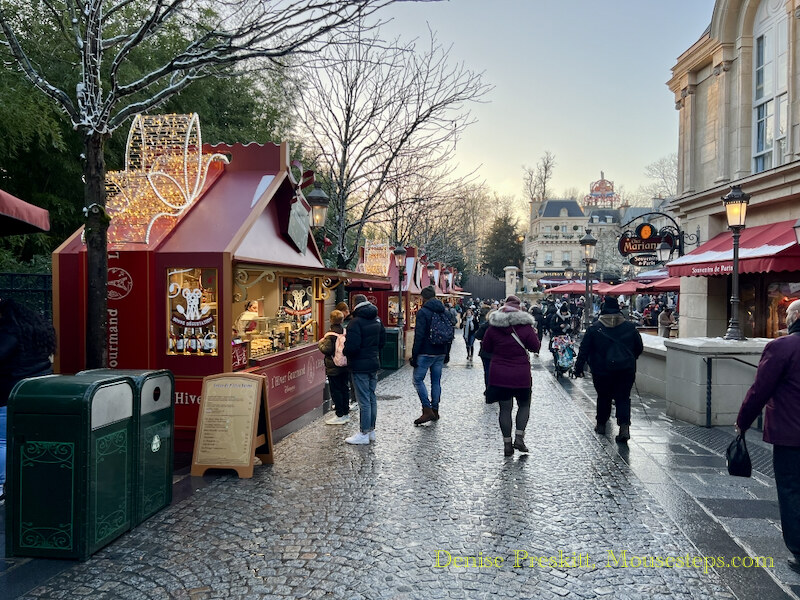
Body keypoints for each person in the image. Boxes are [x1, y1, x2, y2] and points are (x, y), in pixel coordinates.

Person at [736, 299, 800, 575]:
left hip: (791, 434)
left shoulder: (782, 347)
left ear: (795, 316)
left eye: (786, 314)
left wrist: (742, 422)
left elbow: (760, 390)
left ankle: (799, 550)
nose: (785, 318)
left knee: (792, 490)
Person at [0, 299, 57, 499]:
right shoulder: (37, 330)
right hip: (37, 392)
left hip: (9, 393)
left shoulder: (9, 332)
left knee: (2, 441)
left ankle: (1, 484)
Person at [574, 296, 643, 443]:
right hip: (625, 370)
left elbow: (584, 349)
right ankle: (624, 427)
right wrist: (629, 360)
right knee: (623, 397)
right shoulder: (630, 327)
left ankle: (601, 424)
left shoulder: (595, 328)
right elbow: (639, 348)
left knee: (603, 396)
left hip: (601, 370)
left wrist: (579, 367)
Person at [479, 295, 540, 456]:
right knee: (524, 405)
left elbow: (486, 347)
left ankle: (507, 444)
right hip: (521, 374)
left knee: (505, 409)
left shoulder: (494, 327)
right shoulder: (526, 327)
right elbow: (535, 347)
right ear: (519, 309)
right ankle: (519, 438)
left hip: (499, 373)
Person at [342, 295, 385, 445]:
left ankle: (364, 432)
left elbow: (352, 347)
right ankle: (371, 430)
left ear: (354, 304)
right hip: (373, 362)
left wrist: (345, 351)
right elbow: (382, 341)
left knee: (364, 400)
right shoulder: (377, 319)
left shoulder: (355, 322)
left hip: (359, 365)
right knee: (372, 397)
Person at [411, 285, 451, 425]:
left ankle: (426, 409)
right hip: (440, 351)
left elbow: (419, 335)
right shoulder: (444, 311)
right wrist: (447, 353)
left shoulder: (423, 312)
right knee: (436, 381)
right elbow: (449, 333)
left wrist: (414, 355)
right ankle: (435, 409)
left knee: (417, 379)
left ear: (424, 297)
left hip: (426, 352)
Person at [318, 310, 350, 425]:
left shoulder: (330, 335)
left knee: (336, 390)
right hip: (345, 365)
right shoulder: (345, 331)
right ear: (342, 320)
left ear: (331, 320)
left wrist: (320, 343)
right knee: (345, 388)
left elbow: (326, 349)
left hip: (333, 367)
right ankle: (346, 412)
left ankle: (339, 414)